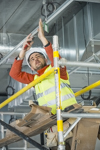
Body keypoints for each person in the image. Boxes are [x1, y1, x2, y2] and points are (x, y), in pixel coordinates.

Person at [9, 19, 77, 115]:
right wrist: (23, 51)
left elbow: (56, 60)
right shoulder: (35, 79)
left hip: (69, 112)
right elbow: (14, 74)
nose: (35, 59)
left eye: (38, 56)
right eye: (32, 59)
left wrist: (42, 38)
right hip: (51, 118)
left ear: (46, 60)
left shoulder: (55, 69)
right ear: (31, 68)